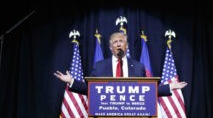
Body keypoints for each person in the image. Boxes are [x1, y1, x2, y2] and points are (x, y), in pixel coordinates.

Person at [54, 31, 187, 95]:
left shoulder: (138, 67)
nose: (118, 44)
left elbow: (148, 90)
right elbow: (90, 90)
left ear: (126, 46)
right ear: (110, 48)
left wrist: (171, 87)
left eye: (121, 41)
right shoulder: (100, 66)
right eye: (115, 42)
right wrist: (71, 81)